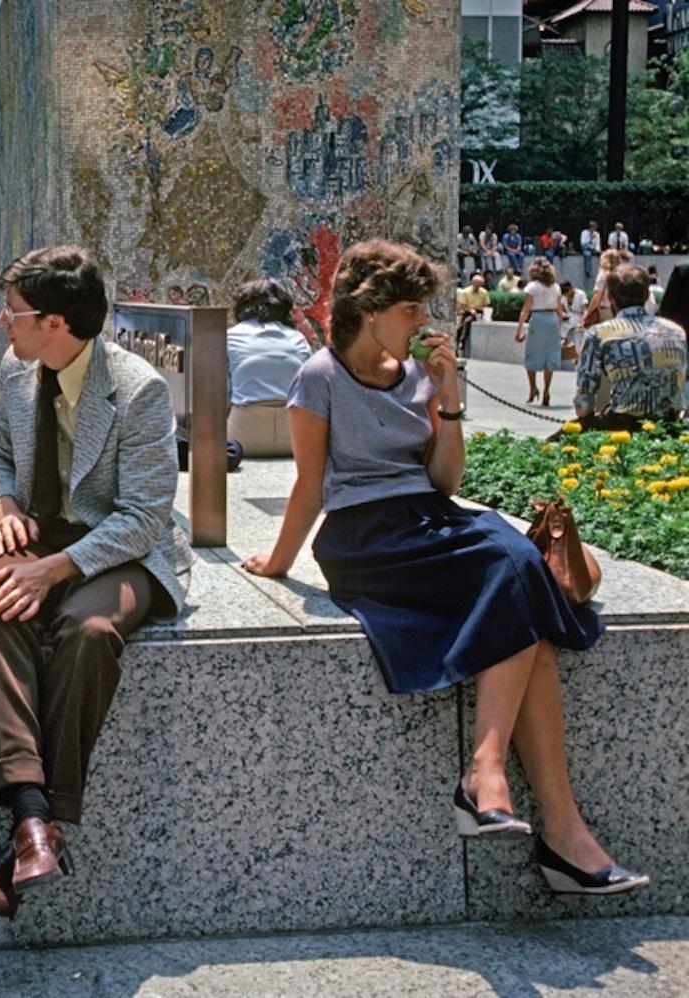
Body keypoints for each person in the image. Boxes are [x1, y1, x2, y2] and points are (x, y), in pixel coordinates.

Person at [242, 239, 647, 898]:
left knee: (520, 597)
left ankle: (544, 820)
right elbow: (310, 488)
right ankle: (516, 797)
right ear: (370, 311)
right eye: (410, 309)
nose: (423, 321)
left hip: (429, 519)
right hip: (364, 541)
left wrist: (449, 398)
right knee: (518, 573)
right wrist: (277, 563)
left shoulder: (420, 373)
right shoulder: (318, 376)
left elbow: (444, 479)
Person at [0, 245, 192, 919]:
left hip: (119, 552)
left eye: (14, 312)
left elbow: (145, 517)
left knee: (89, 630)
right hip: (35, 533)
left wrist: (57, 569)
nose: (4, 323)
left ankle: (35, 829)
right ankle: (36, 823)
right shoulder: (16, 368)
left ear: (56, 323)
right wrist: (3, 506)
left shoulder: (140, 389)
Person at [574, 264, 687, 431]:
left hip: (623, 426)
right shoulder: (676, 331)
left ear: (611, 298)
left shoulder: (599, 334)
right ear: (647, 295)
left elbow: (583, 406)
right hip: (670, 426)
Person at [225, 277, 311, 456]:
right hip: (295, 440)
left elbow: (219, 394)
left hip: (242, 438)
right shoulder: (298, 340)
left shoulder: (230, 337)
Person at [514, 259, 566, 407]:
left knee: (532, 353)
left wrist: (519, 329)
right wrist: (559, 327)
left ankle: (532, 388)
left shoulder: (532, 287)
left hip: (537, 318)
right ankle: (547, 390)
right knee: (550, 355)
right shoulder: (556, 287)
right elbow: (560, 310)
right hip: (552, 320)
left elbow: (525, 310)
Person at [581, 248, 623, 328]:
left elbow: (597, 298)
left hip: (605, 311)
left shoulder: (603, 275)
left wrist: (587, 314)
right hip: (618, 310)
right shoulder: (620, 275)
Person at [455, 272, 491, 357]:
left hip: (479, 311)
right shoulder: (465, 292)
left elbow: (487, 304)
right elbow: (462, 306)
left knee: (468, 321)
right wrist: (470, 310)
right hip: (468, 311)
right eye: (476, 285)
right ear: (472, 283)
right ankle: (457, 346)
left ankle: (463, 341)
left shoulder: (484, 292)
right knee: (460, 326)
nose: (478, 287)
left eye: (480, 285)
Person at [558, 280, 588, 362]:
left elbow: (585, 311)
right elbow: (560, 309)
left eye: (566, 292)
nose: (566, 295)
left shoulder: (580, 294)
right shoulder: (564, 297)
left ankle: (565, 342)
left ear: (570, 289)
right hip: (569, 316)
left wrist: (583, 321)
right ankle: (564, 342)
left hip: (579, 316)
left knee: (571, 322)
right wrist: (563, 314)